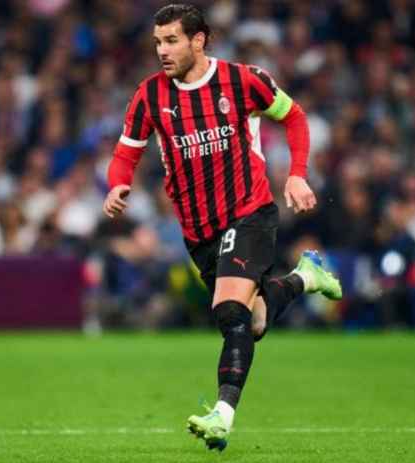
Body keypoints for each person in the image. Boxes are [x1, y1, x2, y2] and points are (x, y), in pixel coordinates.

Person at [102, 3, 342, 451]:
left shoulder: (244, 80)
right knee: (253, 321)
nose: (162, 51)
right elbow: (125, 152)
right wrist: (118, 184)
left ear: (198, 40)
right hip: (199, 232)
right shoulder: (149, 95)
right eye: (157, 42)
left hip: (249, 212)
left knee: (230, 311)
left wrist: (297, 174)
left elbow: (294, 116)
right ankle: (304, 278)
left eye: (171, 40)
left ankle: (222, 415)